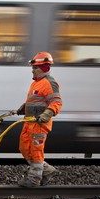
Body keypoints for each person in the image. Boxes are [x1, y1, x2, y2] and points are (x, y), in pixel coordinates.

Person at [15, 51, 63, 187]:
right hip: (28, 122)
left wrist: (47, 114)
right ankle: (47, 171)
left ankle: (34, 179)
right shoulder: (35, 84)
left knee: (36, 151)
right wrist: (23, 108)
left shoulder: (49, 83)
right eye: (33, 67)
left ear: (43, 68)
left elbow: (56, 102)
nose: (32, 70)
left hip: (39, 124)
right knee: (24, 148)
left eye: (35, 68)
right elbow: (35, 101)